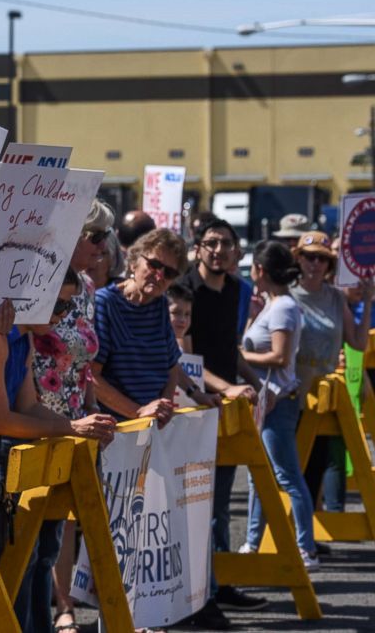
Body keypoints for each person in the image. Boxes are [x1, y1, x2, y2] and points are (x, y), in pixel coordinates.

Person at [0, 272, 117, 632]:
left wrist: (82, 424)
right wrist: (71, 426)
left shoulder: (24, 339)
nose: (64, 314)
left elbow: (30, 407)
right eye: (58, 304)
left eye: (69, 304)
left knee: (24, 558)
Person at [30, 199, 113, 633]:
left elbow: (86, 363)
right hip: (42, 416)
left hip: (81, 411)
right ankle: (61, 607)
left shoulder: (86, 287)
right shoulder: (42, 284)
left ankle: (66, 603)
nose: (103, 245)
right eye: (95, 236)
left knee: (72, 516)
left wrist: (95, 409)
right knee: (47, 523)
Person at [177, 218, 265, 623]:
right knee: (198, 505)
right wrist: (224, 387)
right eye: (210, 243)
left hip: (229, 409)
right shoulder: (184, 291)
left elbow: (229, 348)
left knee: (221, 504)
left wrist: (252, 381)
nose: (218, 250)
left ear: (235, 252)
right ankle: (200, 596)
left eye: (225, 244)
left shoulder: (237, 291)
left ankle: (221, 583)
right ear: (198, 249)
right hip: (194, 406)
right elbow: (186, 356)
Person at [238, 241, 318, 569]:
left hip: (278, 400)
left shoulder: (283, 306)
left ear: (261, 270)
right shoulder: (273, 304)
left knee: (286, 476)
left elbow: (280, 356)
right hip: (268, 400)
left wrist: (241, 356)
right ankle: (253, 541)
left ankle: (306, 547)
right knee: (262, 476)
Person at [291, 231, 373, 515]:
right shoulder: (287, 294)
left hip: (321, 401)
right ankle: (286, 537)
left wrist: (369, 301)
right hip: (291, 398)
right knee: (290, 472)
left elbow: (358, 343)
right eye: (309, 257)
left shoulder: (337, 299)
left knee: (315, 469)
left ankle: (309, 536)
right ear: (299, 259)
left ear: (329, 265)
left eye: (322, 259)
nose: (315, 264)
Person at [92, 228, 188, 424]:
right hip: (118, 429)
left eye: (169, 272)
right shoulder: (105, 303)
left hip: (152, 427)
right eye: (154, 264)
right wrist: (139, 412)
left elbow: (171, 367)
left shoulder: (160, 304)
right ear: (134, 261)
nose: (159, 276)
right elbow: (92, 378)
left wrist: (164, 408)